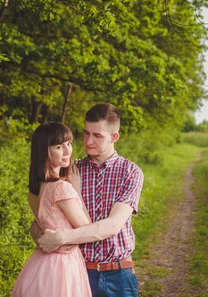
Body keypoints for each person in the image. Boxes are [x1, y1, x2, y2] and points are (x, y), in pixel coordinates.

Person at [37, 103, 144, 297]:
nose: (88, 141)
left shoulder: (130, 172)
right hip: (78, 271)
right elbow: (47, 213)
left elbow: (112, 226)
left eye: (97, 135)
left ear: (114, 137)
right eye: (86, 133)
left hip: (119, 274)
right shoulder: (70, 170)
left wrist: (60, 238)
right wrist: (39, 234)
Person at [12, 122, 92, 297]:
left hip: (40, 262)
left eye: (69, 144)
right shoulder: (60, 188)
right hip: (61, 266)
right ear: (44, 151)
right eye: (58, 146)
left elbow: (40, 221)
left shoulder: (36, 187)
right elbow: (87, 228)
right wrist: (76, 189)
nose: (67, 151)